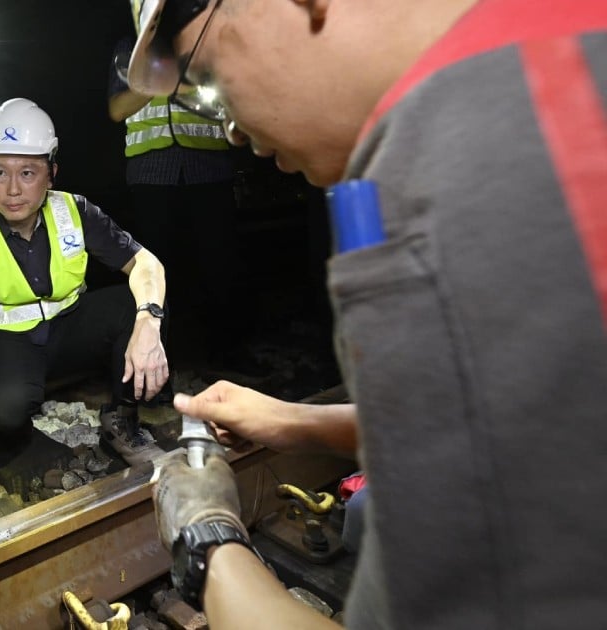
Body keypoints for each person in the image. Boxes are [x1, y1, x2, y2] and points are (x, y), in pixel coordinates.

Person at [127, 0, 607, 628]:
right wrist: (299, 422)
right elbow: (540, 414)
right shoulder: (557, 55)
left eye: (209, 71)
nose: (232, 132)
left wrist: (208, 542)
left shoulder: (467, 180)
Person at [0, 98, 171, 525]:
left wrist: (147, 324)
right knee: (8, 410)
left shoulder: (75, 211)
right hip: (9, 344)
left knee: (133, 304)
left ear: (51, 172)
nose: (12, 189)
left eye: (27, 173)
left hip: (69, 332)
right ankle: (15, 427)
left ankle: (121, 421)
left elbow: (147, 264)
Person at [107, 34, 239, 354]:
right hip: (152, 173)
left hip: (208, 167)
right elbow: (117, 108)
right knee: (157, 268)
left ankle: (230, 350)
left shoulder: (204, 39)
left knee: (220, 262)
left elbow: (231, 101)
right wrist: (169, 82)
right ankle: (161, 352)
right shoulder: (129, 48)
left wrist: (164, 81)